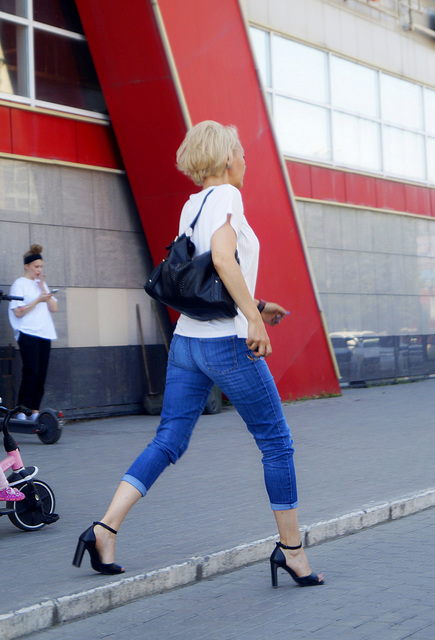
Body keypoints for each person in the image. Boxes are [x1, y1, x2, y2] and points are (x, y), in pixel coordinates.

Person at [73, 121, 324, 587]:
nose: (245, 162)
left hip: (187, 343)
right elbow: (224, 261)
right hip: (227, 345)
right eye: (242, 154)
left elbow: (202, 277)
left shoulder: (192, 205)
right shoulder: (228, 196)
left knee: (168, 440)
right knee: (276, 443)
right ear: (227, 159)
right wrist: (250, 319)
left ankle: (103, 530)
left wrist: (258, 305)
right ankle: (292, 552)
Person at [8, 244, 57, 421]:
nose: (39, 270)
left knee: (41, 374)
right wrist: (37, 300)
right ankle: (22, 409)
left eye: (41, 267)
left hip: (45, 333)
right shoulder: (19, 284)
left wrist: (43, 288)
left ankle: (35, 410)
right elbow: (18, 311)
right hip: (27, 332)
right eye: (36, 266)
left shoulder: (41, 285)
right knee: (31, 371)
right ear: (27, 266)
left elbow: (54, 307)